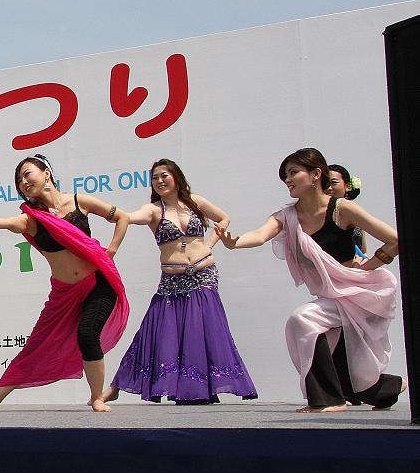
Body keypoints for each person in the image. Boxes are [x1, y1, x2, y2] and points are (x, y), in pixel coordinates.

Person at [216, 147, 405, 412]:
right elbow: (259, 235)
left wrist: (368, 266)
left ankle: (329, 400)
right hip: (331, 297)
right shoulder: (287, 216)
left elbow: (394, 239)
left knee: (303, 320)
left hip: (359, 294)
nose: (288, 180)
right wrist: (234, 242)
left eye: (293, 173)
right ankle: (389, 388)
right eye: (285, 175)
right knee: (354, 374)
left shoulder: (342, 209)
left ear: (316, 174)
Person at [0, 155, 129, 413]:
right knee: (36, 345)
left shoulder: (80, 201)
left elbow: (121, 217)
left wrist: (111, 251)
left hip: (98, 283)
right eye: (19, 180)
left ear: (46, 173)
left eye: (27, 174)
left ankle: (97, 397)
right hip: (65, 293)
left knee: (87, 334)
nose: (23, 182)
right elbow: (10, 224)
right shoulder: (32, 219)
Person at [104, 159, 257, 404]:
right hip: (172, 280)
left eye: (164, 175)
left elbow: (224, 218)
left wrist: (209, 244)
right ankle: (117, 385)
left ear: (176, 177)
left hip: (204, 274)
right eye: (155, 178)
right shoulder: (154, 210)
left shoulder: (195, 202)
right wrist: (106, 211)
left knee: (201, 330)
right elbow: (129, 217)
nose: (159, 181)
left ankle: (199, 388)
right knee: (153, 331)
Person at [327, 163, 367, 257]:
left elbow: (363, 250)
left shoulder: (355, 213)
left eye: (334, 182)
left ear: (347, 185)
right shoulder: (316, 215)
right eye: (325, 183)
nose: (329, 187)